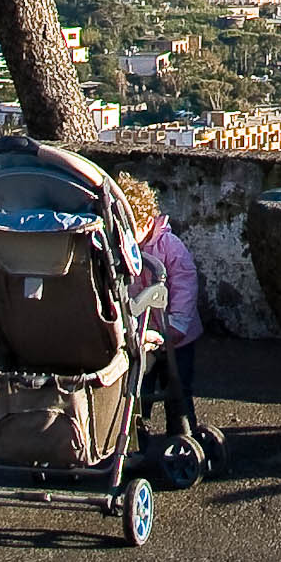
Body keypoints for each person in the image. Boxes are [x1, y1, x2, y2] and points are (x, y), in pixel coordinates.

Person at [116, 175, 203, 429]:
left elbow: (185, 286)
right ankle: (136, 438)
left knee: (178, 391)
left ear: (147, 222)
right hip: (142, 337)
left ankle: (183, 434)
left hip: (177, 335)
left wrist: (176, 325)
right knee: (137, 391)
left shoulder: (169, 247)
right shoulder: (121, 250)